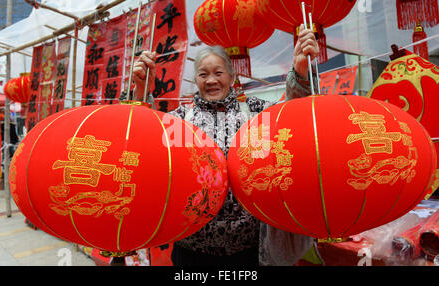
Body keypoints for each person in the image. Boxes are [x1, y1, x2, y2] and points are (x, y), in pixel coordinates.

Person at [128, 24, 319, 266]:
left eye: (218, 73)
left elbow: (293, 120)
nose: (211, 80)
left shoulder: (256, 113)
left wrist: (300, 72)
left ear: (232, 75)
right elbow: (147, 139)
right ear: (195, 79)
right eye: (203, 74)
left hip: (250, 250)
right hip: (191, 250)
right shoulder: (180, 121)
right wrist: (142, 94)